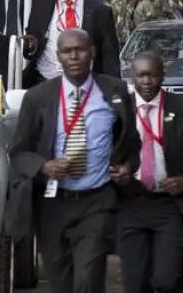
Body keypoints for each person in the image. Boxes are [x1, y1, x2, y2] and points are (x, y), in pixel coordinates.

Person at [8, 29, 140, 293]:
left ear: (92, 52)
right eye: (67, 51)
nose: (74, 56)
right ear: (59, 57)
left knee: (88, 279)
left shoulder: (115, 90)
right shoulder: (38, 98)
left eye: (80, 49)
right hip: (52, 205)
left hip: (97, 201)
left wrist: (128, 167)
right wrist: (44, 166)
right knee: (62, 282)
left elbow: (132, 143)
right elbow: (18, 153)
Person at [116, 51, 183, 293]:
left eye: (152, 75)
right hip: (130, 205)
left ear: (162, 76)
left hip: (169, 206)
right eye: (141, 75)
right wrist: (118, 172)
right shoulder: (119, 111)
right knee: (135, 283)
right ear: (131, 77)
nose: (146, 81)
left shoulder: (179, 107)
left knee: (167, 280)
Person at [23, 0, 120, 87]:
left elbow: (110, 58)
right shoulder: (40, 6)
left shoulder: (99, 11)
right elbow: (31, 48)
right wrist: (29, 46)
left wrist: (114, 91)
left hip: (87, 85)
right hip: (46, 81)